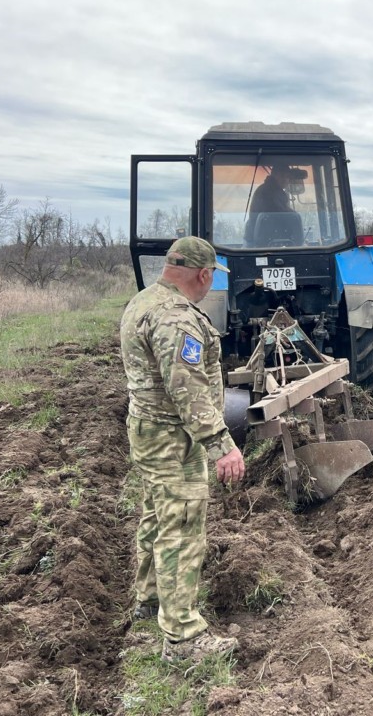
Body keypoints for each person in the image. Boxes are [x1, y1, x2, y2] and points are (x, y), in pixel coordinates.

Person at [120, 236, 247, 662]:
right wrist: (222, 446)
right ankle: (183, 638)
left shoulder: (144, 301)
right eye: (213, 276)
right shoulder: (178, 320)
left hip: (149, 430)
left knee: (157, 516)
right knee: (183, 527)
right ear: (204, 273)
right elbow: (187, 390)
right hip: (173, 437)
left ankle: (150, 599)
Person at [243, 164, 294, 245]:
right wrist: (295, 218)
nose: (285, 179)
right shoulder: (269, 192)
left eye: (287, 176)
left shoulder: (271, 189)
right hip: (260, 242)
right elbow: (279, 214)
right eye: (282, 175)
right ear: (274, 175)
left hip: (263, 238)